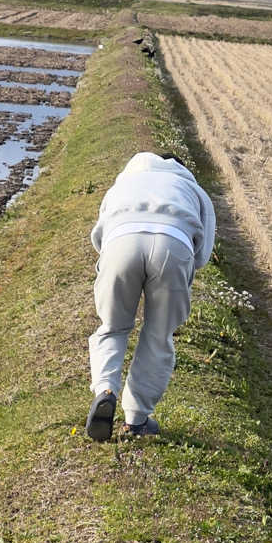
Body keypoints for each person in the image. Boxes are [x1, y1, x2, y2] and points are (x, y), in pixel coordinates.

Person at [85, 152, 216, 441]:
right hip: (174, 243)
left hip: (120, 243)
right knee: (158, 335)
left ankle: (105, 390)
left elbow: (100, 236)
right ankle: (136, 420)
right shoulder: (193, 190)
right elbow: (202, 253)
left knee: (112, 326)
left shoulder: (123, 183)